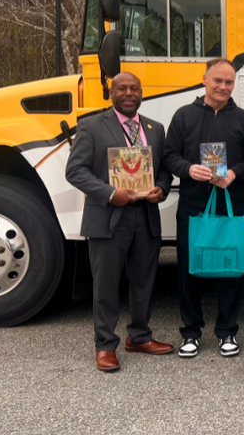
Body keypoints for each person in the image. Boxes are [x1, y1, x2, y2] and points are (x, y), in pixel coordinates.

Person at [65, 72, 174, 372]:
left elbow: (164, 169)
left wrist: (161, 187)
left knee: (143, 281)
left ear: (141, 93)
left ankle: (139, 336)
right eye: (122, 88)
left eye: (134, 88)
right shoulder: (91, 126)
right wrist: (111, 193)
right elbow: (75, 171)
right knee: (106, 284)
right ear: (111, 93)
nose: (129, 93)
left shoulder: (155, 128)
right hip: (108, 216)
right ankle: (105, 345)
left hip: (145, 215)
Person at [163, 58, 244, 359]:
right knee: (189, 271)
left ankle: (227, 331)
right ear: (204, 79)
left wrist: (235, 173)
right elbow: (169, 155)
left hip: (231, 206)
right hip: (192, 206)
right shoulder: (184, 116)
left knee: (230, 271)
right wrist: (188, 169)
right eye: (218, 80)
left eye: (229, 82)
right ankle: (191, 333)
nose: (223, 87)